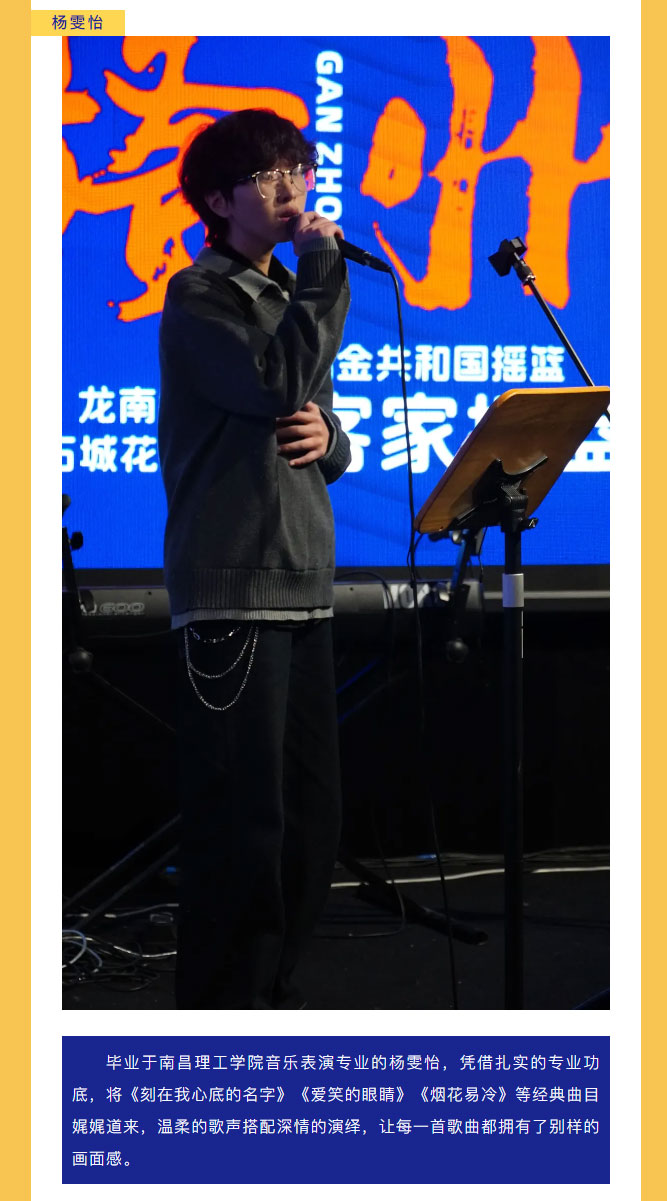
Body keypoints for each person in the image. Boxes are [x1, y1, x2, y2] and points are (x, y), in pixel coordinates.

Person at [158, 108, 351, 1009]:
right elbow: (273, 384)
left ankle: (273, 996)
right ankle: (219, 1019)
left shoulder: (282, 295)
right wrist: (322, 271)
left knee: (311, 823)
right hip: (234, 589)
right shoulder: (201, 295)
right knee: (243, 827)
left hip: (303, 582)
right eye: (266, 176)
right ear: (215, 201)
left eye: (297, 169)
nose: (290, 189)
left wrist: (334, 439)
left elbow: (306, 412)